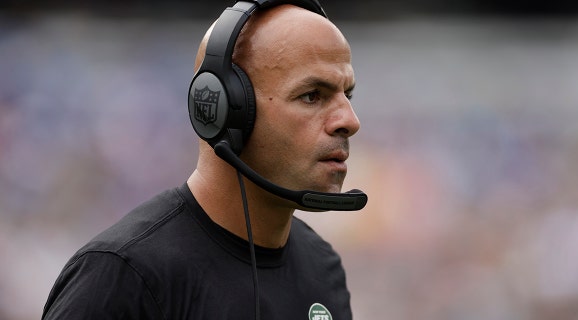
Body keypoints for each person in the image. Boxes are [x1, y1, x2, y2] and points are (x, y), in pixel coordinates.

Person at [42, 1, 366, 319]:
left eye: (346, 94)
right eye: (312, 95)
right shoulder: (124, 275)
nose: (349, 120)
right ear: (225, 111)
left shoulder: (323, 266)